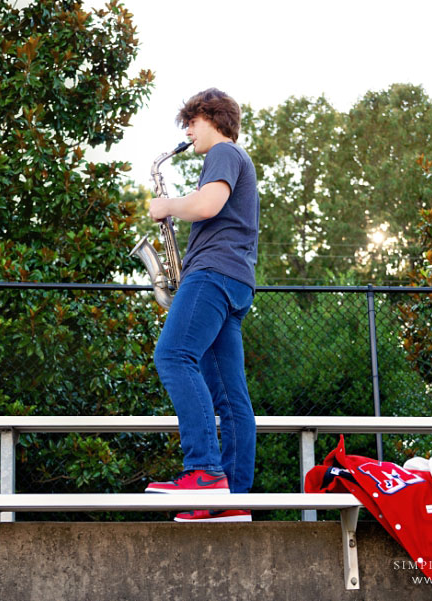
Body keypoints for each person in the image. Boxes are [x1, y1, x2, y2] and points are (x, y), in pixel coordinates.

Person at [143, 88, 260, 523]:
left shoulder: (225, 153)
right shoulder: (235, 160)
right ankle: (230, 496)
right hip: (234, 282)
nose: (188, 133)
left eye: (191, 123)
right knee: (231, 399)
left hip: (212, 274)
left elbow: (208, 204)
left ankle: (204, 474)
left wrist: (167, 207)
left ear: (211, 117)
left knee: (173, 356)